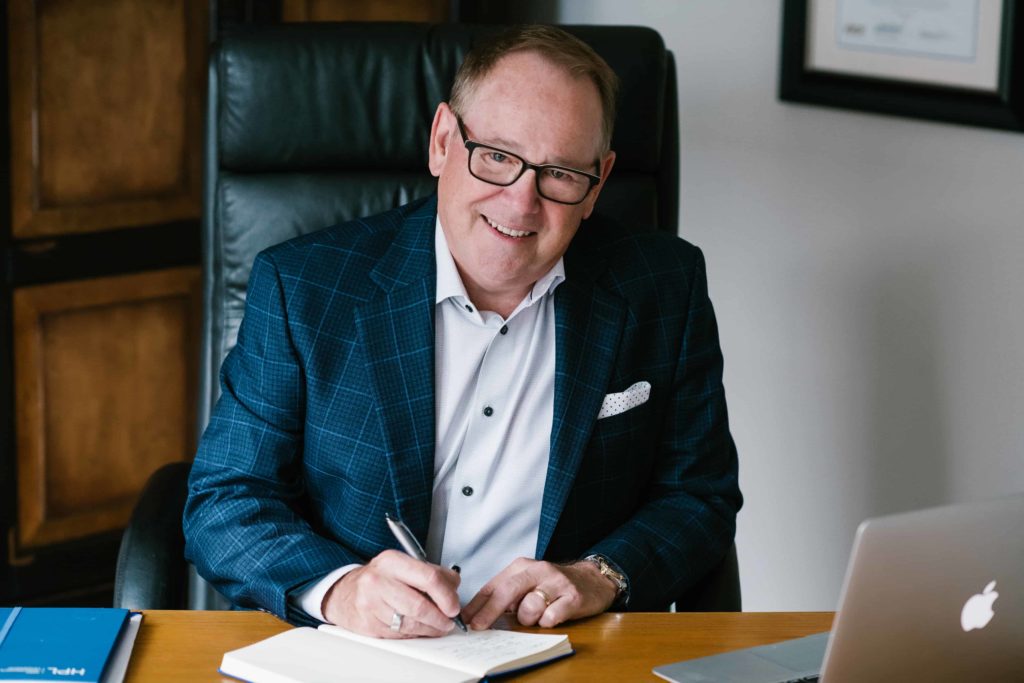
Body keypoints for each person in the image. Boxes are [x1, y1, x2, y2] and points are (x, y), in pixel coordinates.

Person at [183, 24, 741, 639]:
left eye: (558, 173)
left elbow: (699, 496)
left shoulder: (664, 285)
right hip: (363, 653)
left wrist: (599, 575)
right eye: (497, 156)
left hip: (561, 649)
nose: (520, 202)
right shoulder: (304, 287)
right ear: (443, 142)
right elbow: (226, 501)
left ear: (598, 183)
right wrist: (343, 590)